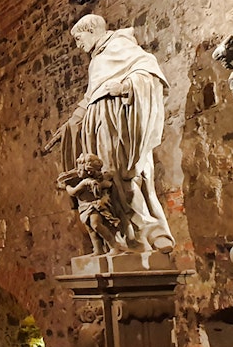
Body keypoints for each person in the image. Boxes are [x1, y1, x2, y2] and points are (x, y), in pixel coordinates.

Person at [48, 14, 175, 253]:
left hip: (117, 123)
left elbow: (148, 74)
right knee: (107, 179)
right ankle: (123, 237)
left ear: (93, 29)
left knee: (124, 176)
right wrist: (70, 124)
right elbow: (90, 96)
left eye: (79, 37)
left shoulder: (119, 45)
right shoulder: (97, 60)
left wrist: (124, 87)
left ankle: (146, 233)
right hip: (97, 125)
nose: (78, 45)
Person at [58, 153, 125, 256]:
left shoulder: (86, 182)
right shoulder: (86, 182)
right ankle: (98, 249)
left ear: (89, 171)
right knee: (91, 229)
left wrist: (67, 187)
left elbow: (74, 192)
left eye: (80, 170)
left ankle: (114, 245)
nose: (78, 172)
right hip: (84, 208)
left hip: (94, 207)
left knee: (96, 225)